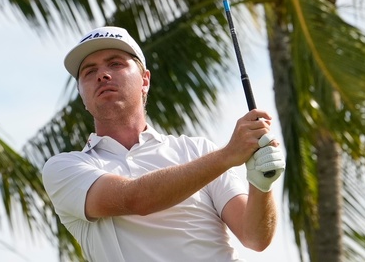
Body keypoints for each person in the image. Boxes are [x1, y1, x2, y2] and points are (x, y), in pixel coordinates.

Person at [42, 25, 286, 261]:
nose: (102, 75)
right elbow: (135, 199)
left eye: (116, 63)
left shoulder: (198, 150)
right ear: (82, 96)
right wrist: (228, 155)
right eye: (89, 71)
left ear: (145, 81)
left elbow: (255, 237)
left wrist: (261, 185)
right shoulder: (64, 168)